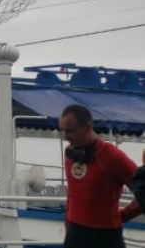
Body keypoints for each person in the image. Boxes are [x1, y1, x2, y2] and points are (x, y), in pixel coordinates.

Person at [60, 104, 139, 248]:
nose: (66, 137)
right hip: (75, 233)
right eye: (64, 131)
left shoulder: (112, 156)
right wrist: (68, 225)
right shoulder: (70, 154)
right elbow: (72, 193)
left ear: (87, 127)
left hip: (105, 236)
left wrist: (124, 216)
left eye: (71, 131)